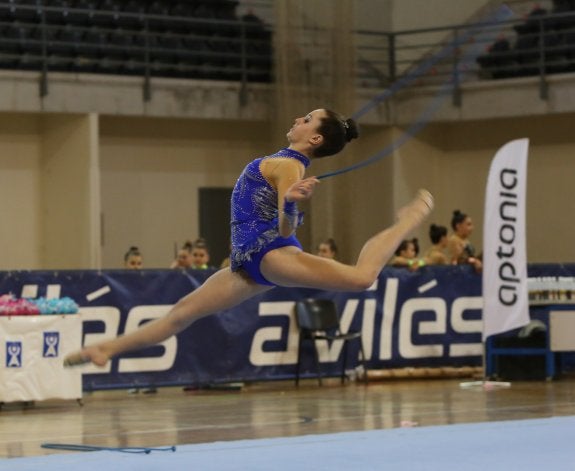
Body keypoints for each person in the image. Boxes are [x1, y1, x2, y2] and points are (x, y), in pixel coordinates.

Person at [64, 108, 434, 369]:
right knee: (181, 315)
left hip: (270, 253)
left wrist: (291, 204)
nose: (298, 119)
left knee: (362, 277)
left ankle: (409, 219)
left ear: (315, 137)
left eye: (307, 119)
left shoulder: (290, 166)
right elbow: (284, 220)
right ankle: (106, 349)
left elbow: (287, 229)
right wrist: (289, 204)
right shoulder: (284, 162)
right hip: (246, 263)